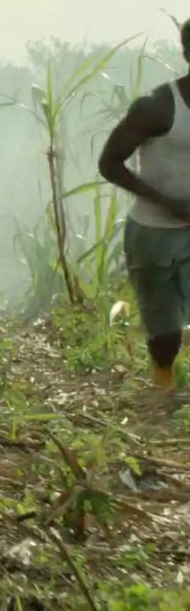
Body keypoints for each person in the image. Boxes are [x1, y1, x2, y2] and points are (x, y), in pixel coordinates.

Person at [98, 23, 190, 394]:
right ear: (186, 54)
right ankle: (164, 388)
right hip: (152, 235)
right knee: (164, 333)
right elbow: (110, 164)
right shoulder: (158, 107)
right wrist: (168, 203)